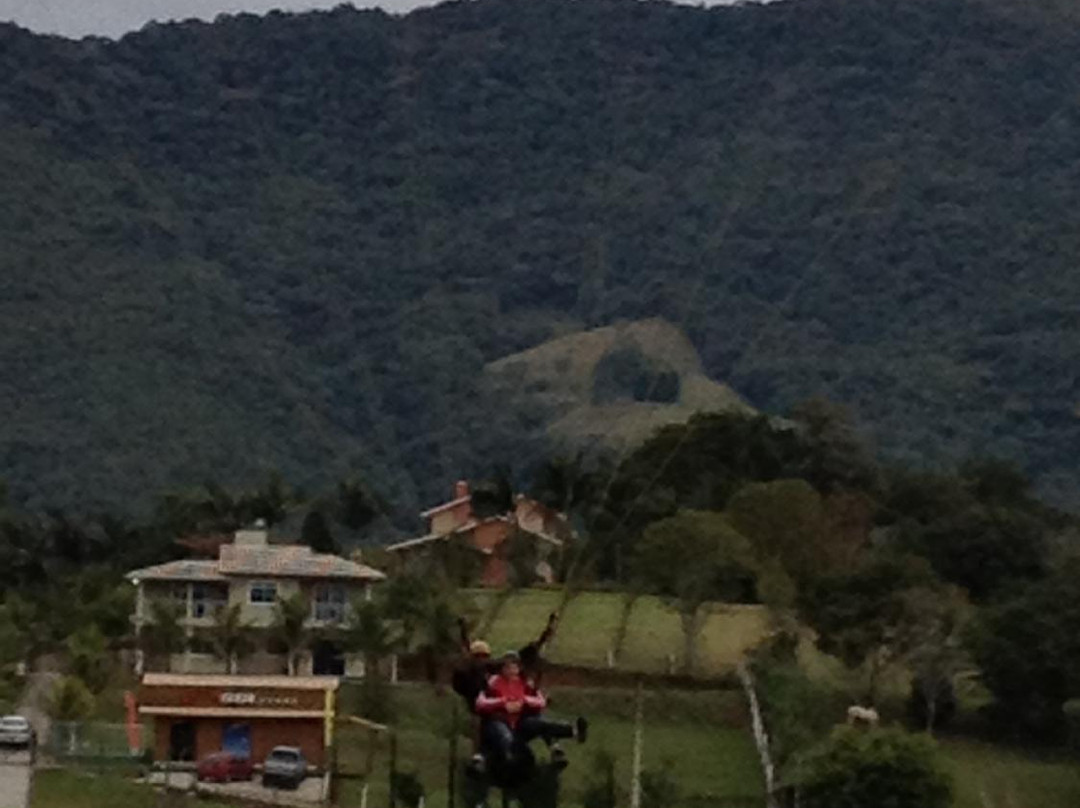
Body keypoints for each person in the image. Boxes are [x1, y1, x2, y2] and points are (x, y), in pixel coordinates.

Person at [475, 650, 587, 773]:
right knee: (500, 732)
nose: (511, 669)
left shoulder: (525, 683)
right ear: (501, 668)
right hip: (501, 720)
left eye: (514, 666)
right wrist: (502, 703)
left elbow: (540, 702)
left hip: (521, 723)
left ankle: (573, 731)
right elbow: (481, 703)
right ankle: (498, 758)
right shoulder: (493, 682)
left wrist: (524, 701)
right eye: (507, 666)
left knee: (539, 723)